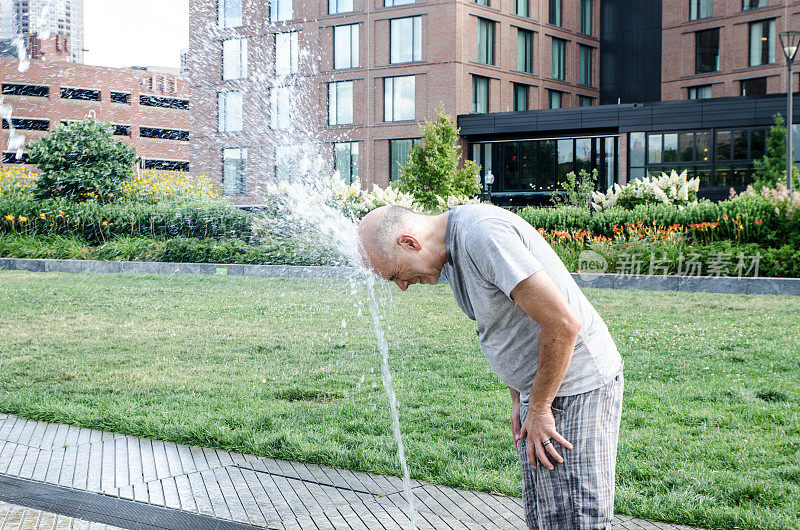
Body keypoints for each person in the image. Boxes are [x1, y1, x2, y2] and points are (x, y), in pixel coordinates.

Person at [358, 203, 624, 530]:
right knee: (543, 517)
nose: (402, 286)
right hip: (539, 392)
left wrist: (539, 407)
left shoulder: (481, 235)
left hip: (575, 386)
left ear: (410, 243)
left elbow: (563, 323)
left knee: (575, 520)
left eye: (396, 275)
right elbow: (501, 325)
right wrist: (520, 399)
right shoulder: (451, 254)